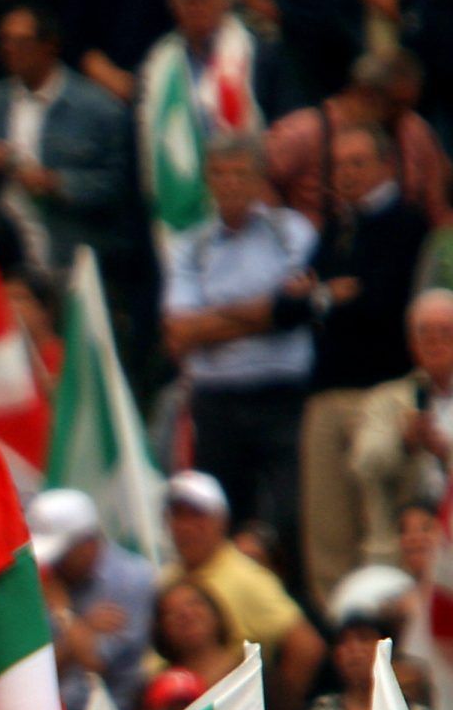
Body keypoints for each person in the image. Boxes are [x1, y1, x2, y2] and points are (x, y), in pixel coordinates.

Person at [293, 124, 431, 611]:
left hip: (382, 391)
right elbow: (290, 303)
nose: (346, 174)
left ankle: (389, 622)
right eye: (339, 165)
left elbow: (382, 304)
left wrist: (323, 297)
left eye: (358, 163)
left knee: (381, 522)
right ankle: (340, 625)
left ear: (386, 165)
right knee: (326, 526)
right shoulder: (336, 228)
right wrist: (330, 296)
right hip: (326, 393)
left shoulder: (407, 224)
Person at [161, 137, 316, 533]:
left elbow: (294, 309)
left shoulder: (292, 232)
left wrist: (213, 318)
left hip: (283, 395)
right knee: (224, 517)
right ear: (207, 181)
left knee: (291, 513)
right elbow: (179, 331)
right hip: (217, 400)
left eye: (240, 174)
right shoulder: (190, 247)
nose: (229, 183)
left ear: (259, 178)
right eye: (219, 174)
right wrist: (264, 312)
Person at [0, 2, 136, 285]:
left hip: (75, 260)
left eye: (21, 42)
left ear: (48, 46)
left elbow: (119, 186)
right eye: (5, 41)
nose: (10, 50)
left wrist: (56, 183)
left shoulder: (98, 109)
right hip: (12, 265)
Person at [136, 0, 293, 216]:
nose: (196, 5)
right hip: (179, 214)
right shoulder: (156, 67)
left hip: (252, 207)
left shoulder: (260, 56)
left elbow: (284, 129)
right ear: (173, 2)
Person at [163, 470, 323, 708]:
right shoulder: (166, 579)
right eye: (178, 516)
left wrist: (275, 709)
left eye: (197, 516)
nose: (186, 527)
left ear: (220, 521)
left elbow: (306, 646)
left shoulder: (247, 577)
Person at [264, 50, 452, 231]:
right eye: (396, 105)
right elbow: (256, 182)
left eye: (410, 106)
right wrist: (287, 230)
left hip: (400, 245)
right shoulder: (304, 131)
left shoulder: (415, 130)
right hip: (320, 244)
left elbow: (438, 207)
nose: (404, 115)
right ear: (365, 94)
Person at [349, 291, 453, 601]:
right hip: (397, 550)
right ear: (411, 343)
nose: (434, 342)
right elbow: (362, 465)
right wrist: (405, 444)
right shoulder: (387, 399)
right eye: (424, 333)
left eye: (445, 332)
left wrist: (445, 452)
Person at [30, 487, 154, 710]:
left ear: (89, 542)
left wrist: (64, 614)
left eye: (62, 554)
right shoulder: (50, 579)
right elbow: (39, 674)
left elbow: (95, 662)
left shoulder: (132, 579)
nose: (54, 564)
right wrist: (83, 628)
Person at [150, 576, 244, 693]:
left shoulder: (252, 665)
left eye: (194, 604)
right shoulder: (162, 691)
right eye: (172, 612)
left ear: (214, 611)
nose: (187, 614)